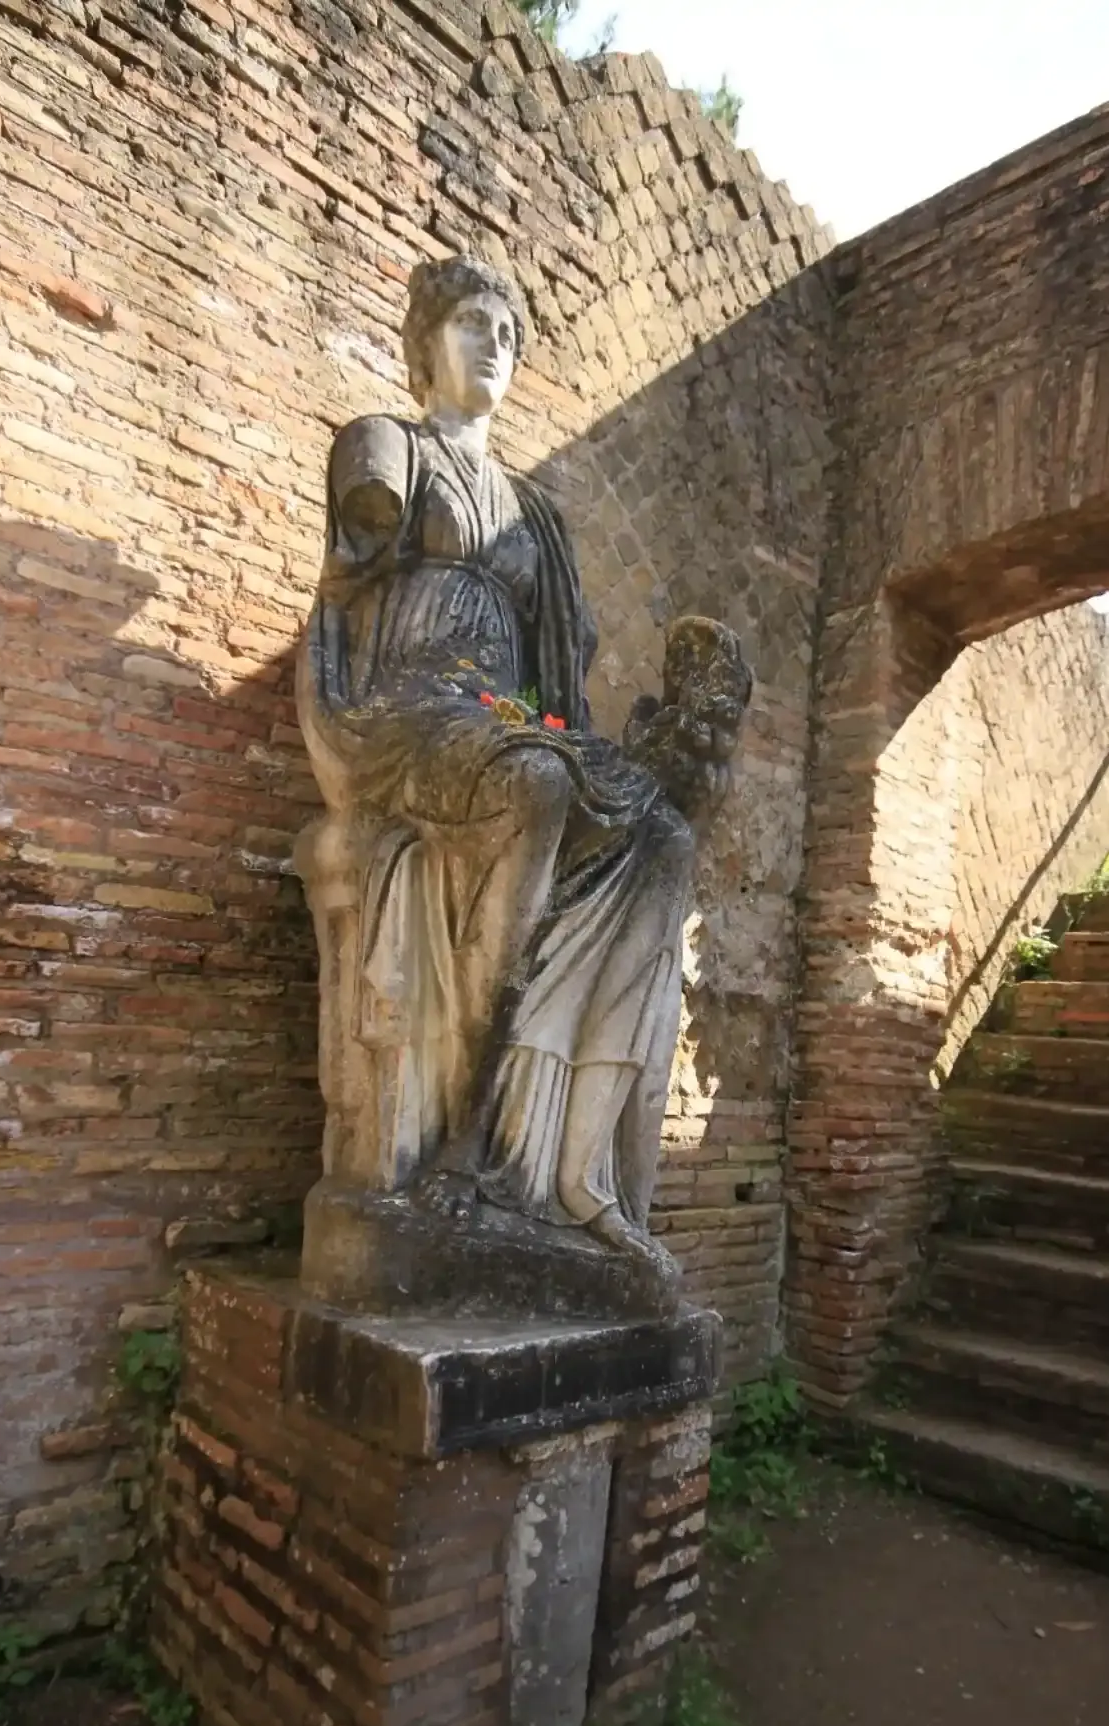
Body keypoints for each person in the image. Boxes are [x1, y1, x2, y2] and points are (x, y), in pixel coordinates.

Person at [297, 255, 739, 1283]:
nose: (489, 345)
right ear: (424, 345)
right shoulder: (385, 445)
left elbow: (558, 676)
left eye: (506, 332)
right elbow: (350, 560)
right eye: (468, 324)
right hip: (405, 708)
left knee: (662, 835)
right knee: (536, 783)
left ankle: (577, 1173)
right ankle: (463, 1128)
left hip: (502, 718)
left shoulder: (534, 511)